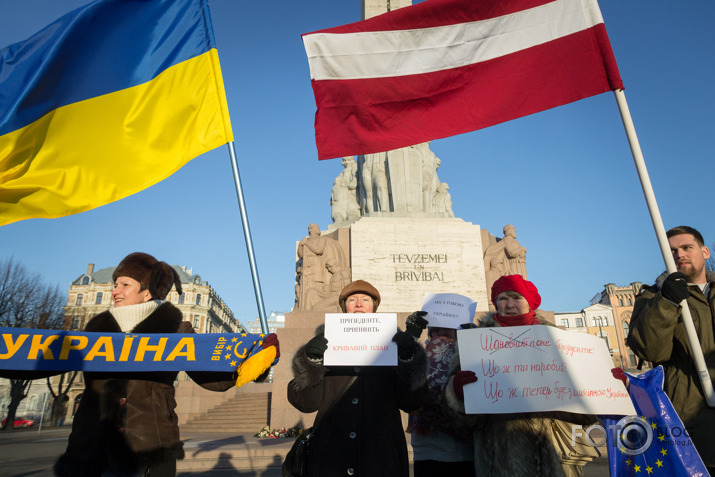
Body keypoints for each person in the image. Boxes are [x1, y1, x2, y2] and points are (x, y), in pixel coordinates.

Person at [52, 252, 279, 477]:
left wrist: (255, 360)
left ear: (147, 292)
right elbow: (41, 361)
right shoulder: (94, 330)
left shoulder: (176, 332)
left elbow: (212, 378)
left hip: (151, 448)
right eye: (115, 284)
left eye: (124, 284)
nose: (114, 291)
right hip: (91, 448)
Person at [443, 275, 596, 477]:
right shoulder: (475, 342)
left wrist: (599, 383)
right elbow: (459, 420)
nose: (509, 304)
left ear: (529, 302)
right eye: (503, 299)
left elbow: (586, 414)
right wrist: (458, 392)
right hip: (499, 462)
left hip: (556, 459)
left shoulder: (559, 340)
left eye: (516, 297)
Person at [287, 280, 428, 477]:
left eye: (365, 300)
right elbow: (306, 403)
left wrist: (408, 358)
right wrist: (311, 361)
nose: (359, 304)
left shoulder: (393, 344)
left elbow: (413, 400)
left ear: (374, 308)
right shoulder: (324, 343)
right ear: (344, 307)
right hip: (331, 457)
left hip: (381, 460)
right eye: (352, 300)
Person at [627, 225, 715, 472]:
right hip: (691, 423)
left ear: (705, 251)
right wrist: (667, 302)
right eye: (672, 251)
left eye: (687, 247)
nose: (680, 255)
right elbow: (650, 350)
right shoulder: (652, 298)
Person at [407, 312, 475, 477]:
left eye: (448, 329)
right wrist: (409, 339)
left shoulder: (471, 356)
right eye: (436, 330)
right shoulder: (418, 358)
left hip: (464, 449)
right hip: (427, 449)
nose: (441, 334)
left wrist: (476, 340)